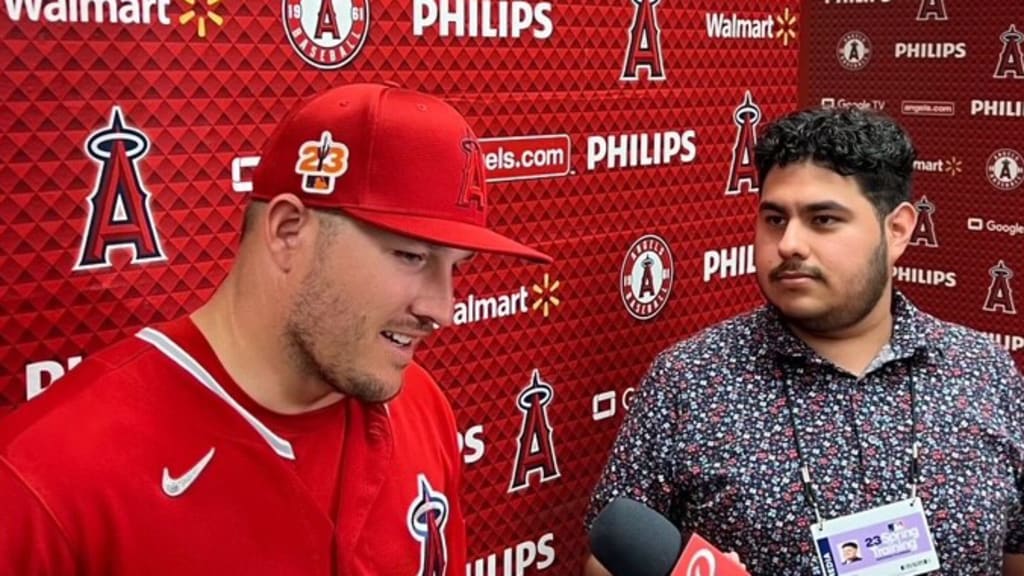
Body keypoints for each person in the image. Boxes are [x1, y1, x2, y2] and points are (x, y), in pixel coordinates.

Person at [0, 83, 551, 575]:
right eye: (411, 256)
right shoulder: (48, 480)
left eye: (456, 269)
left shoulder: (421, 407)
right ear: (288, 231)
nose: (442, 309)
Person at [584, 106, 1024, 575]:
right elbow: (607, 561)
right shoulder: (689, 380)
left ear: (896, 230)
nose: (789, 243)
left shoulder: (984, 372)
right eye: (775, 219)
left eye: (823, 219)